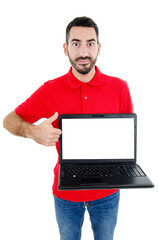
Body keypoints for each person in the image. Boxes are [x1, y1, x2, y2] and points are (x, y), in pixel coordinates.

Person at [3, 16, 133, 240]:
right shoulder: (50, 90)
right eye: (76, 43)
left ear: (99, 48)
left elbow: (126, 137)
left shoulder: (119, 88)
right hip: (65, 192)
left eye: (90, 43)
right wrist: (33, 132)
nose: (83, 52)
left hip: (108, 193)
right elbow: (9, 120)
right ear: (65, 48)